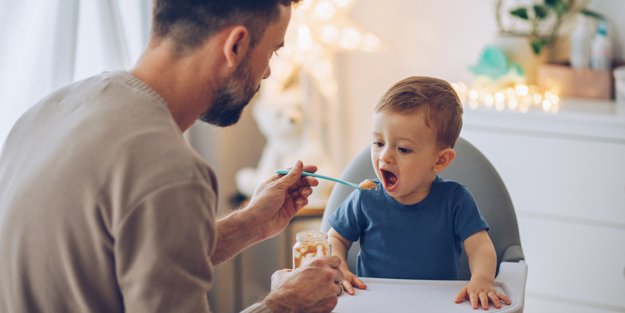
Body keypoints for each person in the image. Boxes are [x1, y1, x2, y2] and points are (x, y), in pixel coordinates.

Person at [0, 1, 345, 312]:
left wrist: (250, 224)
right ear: (236, 45)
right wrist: (284, 305)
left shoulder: (48, 110)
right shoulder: (170, 170)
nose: (267, 73)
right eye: (272, 52)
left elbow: (121, 254)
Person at [326, 76, 512, 310]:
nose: (385, 157)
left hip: (435, 305)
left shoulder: (455, 200)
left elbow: (480, 247)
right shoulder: (365, 197)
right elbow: (334, 238)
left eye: (403, 148)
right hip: (374, 303)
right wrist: (340, 266)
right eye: (378, 143)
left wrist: (482, 280)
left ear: (440, 160)